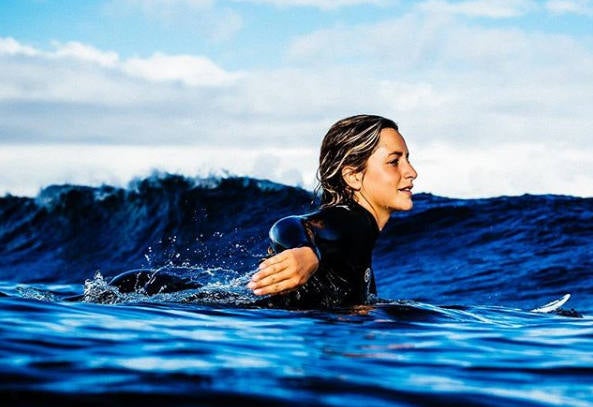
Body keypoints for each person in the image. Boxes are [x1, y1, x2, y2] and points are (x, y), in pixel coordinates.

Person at [248, 114, 418, 309]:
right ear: (353, 176)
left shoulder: (359, 232)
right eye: (394, 162)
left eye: (407, 159)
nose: (412, 172)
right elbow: (291, 224)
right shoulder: (356, 221)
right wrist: (304, 250)